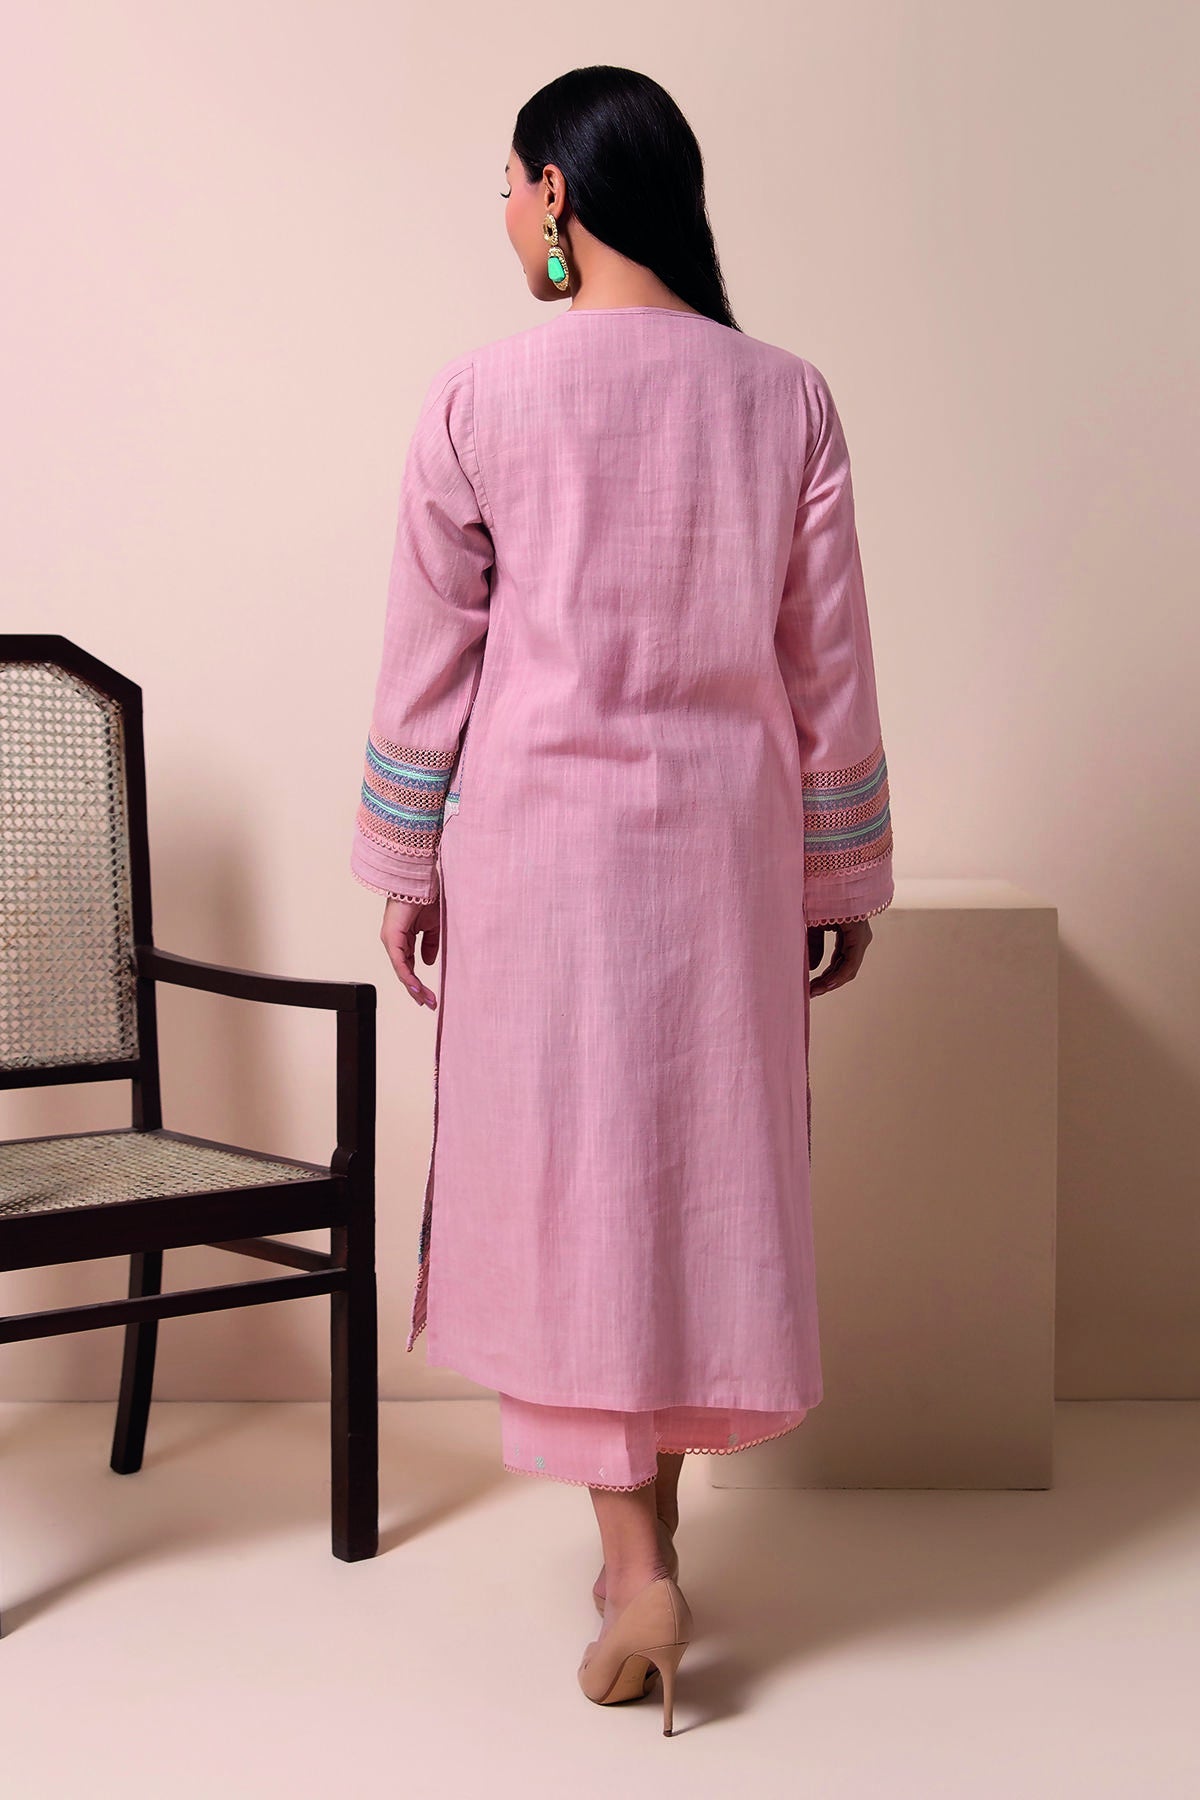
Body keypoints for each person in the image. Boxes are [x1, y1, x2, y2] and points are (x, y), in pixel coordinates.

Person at [350, 65, 894, 1732]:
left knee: (579, 1189)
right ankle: (637, 1555)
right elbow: (827, 666)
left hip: (536, 857)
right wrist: (838, 869)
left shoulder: (478, 397)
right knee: (684, 1180)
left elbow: (430, 664)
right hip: (721, 856)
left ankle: (637, 1566)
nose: (505, 213)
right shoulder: (786, 398)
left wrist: (403, 863)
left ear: (561, 196)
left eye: (510, 184)